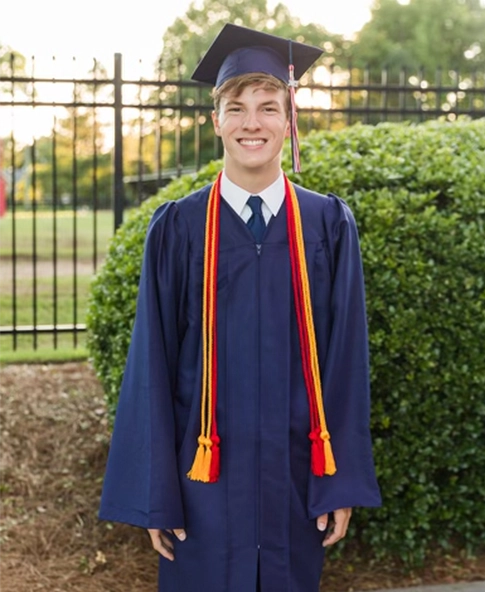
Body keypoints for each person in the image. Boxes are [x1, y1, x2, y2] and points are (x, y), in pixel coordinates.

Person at [99, 23, 381, 592]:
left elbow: (345, 360)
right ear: (216, 120)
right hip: (201, 482)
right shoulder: (178, 229)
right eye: (237, 107)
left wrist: (339, 483)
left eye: (268, 107)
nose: (253, 123)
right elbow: (151, 364)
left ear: (289, 119)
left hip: (296, 481)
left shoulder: (327, 225)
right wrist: (158, 497)